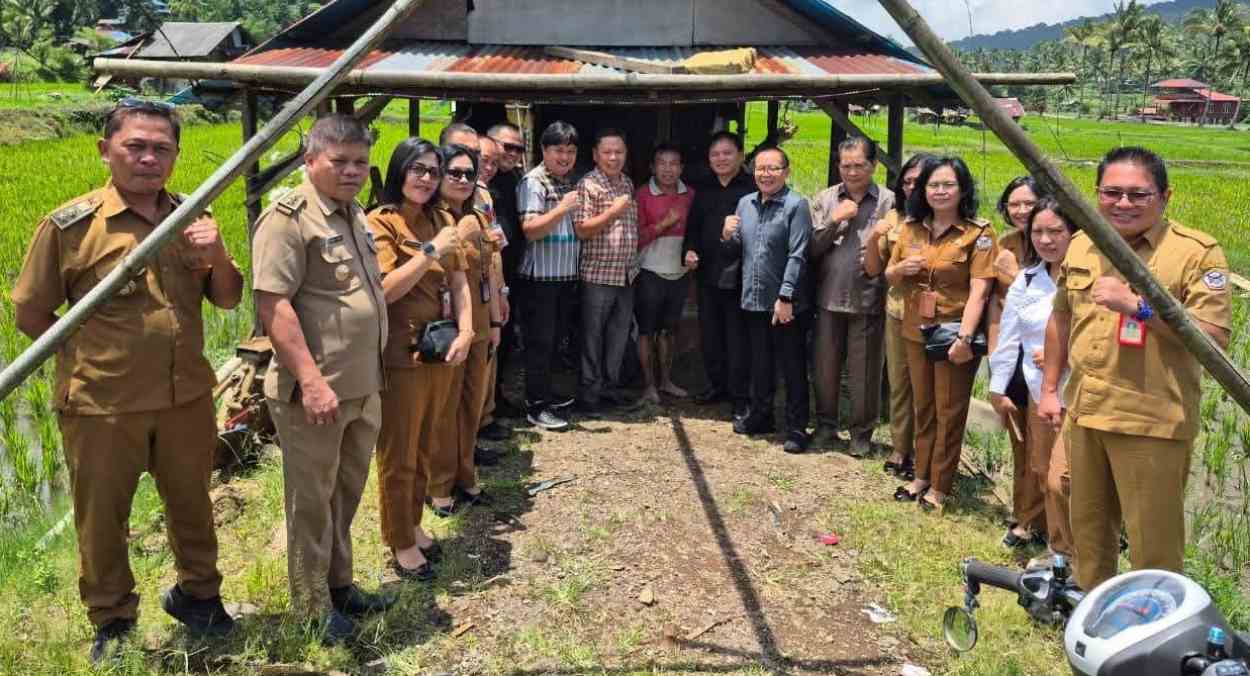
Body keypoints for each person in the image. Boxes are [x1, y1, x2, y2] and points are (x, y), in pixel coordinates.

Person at [11, 99, 242, 662]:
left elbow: (229, 298)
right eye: (135, 146)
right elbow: (31, 314)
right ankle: (113, 621)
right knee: (102, 520)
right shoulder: (71, 227)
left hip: (185, 398)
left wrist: (216, 253)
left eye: (161, 148)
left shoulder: (192, 218)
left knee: (193, 504)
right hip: (103, 405)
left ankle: (200, 597)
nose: (148, 158)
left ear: (176, 155)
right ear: (105, 150)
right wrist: (90, 358)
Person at [1040, 147, 1232, 590]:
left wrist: (1139, 308)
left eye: (1137, 194)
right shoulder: (1083, 243)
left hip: (1151, 422)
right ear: (1096, 194)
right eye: (1112, 193)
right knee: (1089, 535)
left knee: (1153, 547)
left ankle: (1153, 623)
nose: (1123, 203)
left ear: (1165, 196)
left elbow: (1213, 338)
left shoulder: (1195, 253)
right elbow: (1061, 317)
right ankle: (1095, 614)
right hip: (1086, 414)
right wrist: (1050, 389)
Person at [251, 115, 393, 643]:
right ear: (311, 161)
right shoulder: (289, 218)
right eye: (340, 162)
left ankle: (340, 584)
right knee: (311, 503)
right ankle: (312, 608)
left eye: (361, 162)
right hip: (316, 391)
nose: (353, 171)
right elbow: (274, 304)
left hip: (361, 385)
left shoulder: (353, 213)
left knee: (346, 492)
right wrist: (311, 382)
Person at [367, 138, 472, 580]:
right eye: (418, 169)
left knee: (428, 442)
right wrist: (430, 251)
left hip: (440, 348)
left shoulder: (442, 219)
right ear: (399, 171)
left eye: (433, 171)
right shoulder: (381, 222)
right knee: (400, 452)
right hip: (401, 355)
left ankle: (412, 523)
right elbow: (385, 290)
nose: (427, 178)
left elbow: (460, 280)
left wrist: (467, 330)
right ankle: (400, 540)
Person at [887, 156, 996, 512]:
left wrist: (965, 338)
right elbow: (889, 275)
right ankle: (920, 475)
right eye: (933, 185)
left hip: (953, 332)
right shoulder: (911, 228)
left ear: (963, 190)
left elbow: (980, 291)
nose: (940, 191)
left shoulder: (978, 234)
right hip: (916, 329)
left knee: (949, 410)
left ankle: (940, 485)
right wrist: (902, 268)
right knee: (924, 406)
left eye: (948, 184)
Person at [988, 196, 1077, 569]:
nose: (1046, 240)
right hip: (1041, 393)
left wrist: (1063, 356)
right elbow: (1009, 338)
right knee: (1043, 471)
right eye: (1038, 232)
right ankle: (1058, 547)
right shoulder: (1026, 281)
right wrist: (997, 387)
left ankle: (1074, 553)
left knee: (1068, 479)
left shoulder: (1090, 281)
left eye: (1056, 231)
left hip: (1080, 396)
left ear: (1074, 233)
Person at [808, 137, 895, 455]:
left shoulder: (888, 201)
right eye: (846, 166)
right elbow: (811, 248)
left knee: (865, 372)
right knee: (825, 367)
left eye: (860, 165)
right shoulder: (826, 199)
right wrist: (835, 220)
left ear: (874, 165)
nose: (853, 172)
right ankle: (826, 425)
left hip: (869, 298)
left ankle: (861, 434)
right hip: (827, 296)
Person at [723, 146, 813, 454]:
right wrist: (727, 235)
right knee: (760, 363)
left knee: (792, 365)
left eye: (773, 168)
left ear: (786, 172)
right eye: (761, 168)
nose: (766, 174)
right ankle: (762, 416)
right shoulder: (745, 203)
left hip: (786, 302)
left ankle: (797, 427)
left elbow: (798, 255)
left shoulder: (796, 205)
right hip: (754, 298)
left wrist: (786, 295)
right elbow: (737, 249)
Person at [432, 143, 502, 514]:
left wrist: (495, 320)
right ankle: (439, 485)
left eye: (469, 174)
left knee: (472, 404)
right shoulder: (431, 218)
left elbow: (489, 270)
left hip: (480, 321)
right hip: (447, 325)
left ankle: (466, 475)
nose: (462, 180)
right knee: (446, 408)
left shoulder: (478, 215)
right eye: (454, 172)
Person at [863, 152, 933, 481]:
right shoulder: (894, 219)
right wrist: (874, 238)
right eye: (906, 182)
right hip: (897, 311)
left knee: (928, 388)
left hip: (936, 317)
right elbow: (873, 270)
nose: (911, 188)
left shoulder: (947, 220)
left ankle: (925, 453)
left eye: (918, 181)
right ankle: (900, 448)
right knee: (900, 383)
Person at [988, 176, 1048, 549]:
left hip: (1045, 354)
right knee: (1020, 439)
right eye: (1014, 204)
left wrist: (1014, 278)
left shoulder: (1060, 245)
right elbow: (996, 304)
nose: (1022, 211)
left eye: (1029, 203)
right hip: (1013, 350)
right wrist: (996, 355)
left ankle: (1041, 519)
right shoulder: (1006, 244)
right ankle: (1024, 514)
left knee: (1044, 444)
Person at [684, 131, 756, 418]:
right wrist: (689, 250)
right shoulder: (704, 189)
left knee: (737, 338)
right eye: (715, 154)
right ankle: (717, 386)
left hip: (741, 275)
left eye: (727, 153)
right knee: (711, 335)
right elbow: (693, 227)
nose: (721, 159)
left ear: (740, 156)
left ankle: (740, 397)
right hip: (708, 273)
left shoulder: (751, 188)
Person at [518, 121, 581, 430]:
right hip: (540, 279)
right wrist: (563, 208)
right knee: (540, 343)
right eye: (558, 150)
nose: (565, 157)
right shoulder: (534, 182)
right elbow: (530, 230)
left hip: (563, 276)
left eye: (570, 151)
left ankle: (546, 396)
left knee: (555, 342)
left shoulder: (566, 181)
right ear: (544, 150)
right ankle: (536, 405)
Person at [572, 128, 639, 415]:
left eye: (619, 152)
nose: (614, 157)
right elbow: (581, 229)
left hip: (626, 274)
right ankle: (589, 396)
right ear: (596, 155)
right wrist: (612, 212)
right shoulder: (588, 184)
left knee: (618, 336)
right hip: (598, 275)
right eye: (607, 152)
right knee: (592, 338)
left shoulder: (627, 182)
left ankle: (610, 388)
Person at [634, 143, 696, 404]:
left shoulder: (690, 194)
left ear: (681, 168)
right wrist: (663, 224)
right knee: (646, 330)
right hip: (650, 271)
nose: (668, 169)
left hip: (679, 272)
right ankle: (648, 385)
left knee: (669, 330)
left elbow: (697, 232)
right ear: (652, 167)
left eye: (674, 164)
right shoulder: (642, 195)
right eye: (662, 163)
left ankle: (666, 381)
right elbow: (636, 238)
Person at [473, 134, 515, 451]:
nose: (488, 167)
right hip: (472, 290)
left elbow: (495, 246)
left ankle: (484, 420)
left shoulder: (485, 193)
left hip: (493, 285)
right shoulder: (459, 193)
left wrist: (502, 291)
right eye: (482, 160)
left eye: (493, 162)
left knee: (490, 357)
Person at [486, 123, 527, 421]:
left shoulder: (515, 179)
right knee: (488, 341)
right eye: (507, 147)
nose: (513, 153)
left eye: (518, 148)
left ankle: (496, 399)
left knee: (505, 338)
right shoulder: (479, 183)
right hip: (487, 277)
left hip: (510, 275)